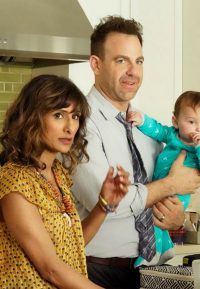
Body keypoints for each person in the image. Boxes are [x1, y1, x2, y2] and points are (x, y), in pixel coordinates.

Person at [70, 16, 200, 289]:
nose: (133, 71)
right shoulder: (79, 124)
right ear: (96, 64)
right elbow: (107, 201)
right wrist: (170, 185)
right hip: (99, 272)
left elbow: (163, 191)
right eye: (121, 61)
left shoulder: (145, 127)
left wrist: (177, 218)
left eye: (138, 61)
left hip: (154, 272)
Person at [0, 74, 129, 288]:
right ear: (33, 117)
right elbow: (50, 268)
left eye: (76, 116)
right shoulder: (15, 181)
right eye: (59, 115)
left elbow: (70, 246)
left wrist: (103, 205)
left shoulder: (58, 174)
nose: (70, 127)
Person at [127, 90, 200, 267]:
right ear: (175, 122)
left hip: (179, 194)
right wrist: (142, 120)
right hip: (162, 186)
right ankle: (166, 248)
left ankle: (151, 253)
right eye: (191, 122)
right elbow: (157, 130)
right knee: (155, 217)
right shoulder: (172, 135)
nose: (199, 128)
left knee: (154, 217)